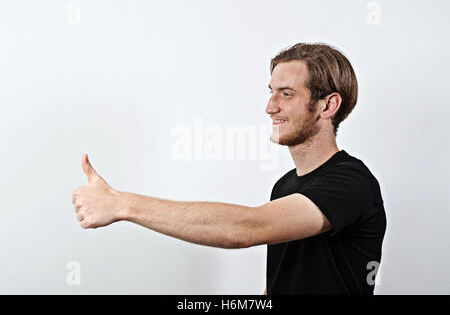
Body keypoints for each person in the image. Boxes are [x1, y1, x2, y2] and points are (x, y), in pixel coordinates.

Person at [71, 42, 386, 295]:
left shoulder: (352, 182)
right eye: (271, 91)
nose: (270, 106)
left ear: (328, 105)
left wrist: (121, 204)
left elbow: (247, 228)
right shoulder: (285, 186)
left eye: (286, 94)